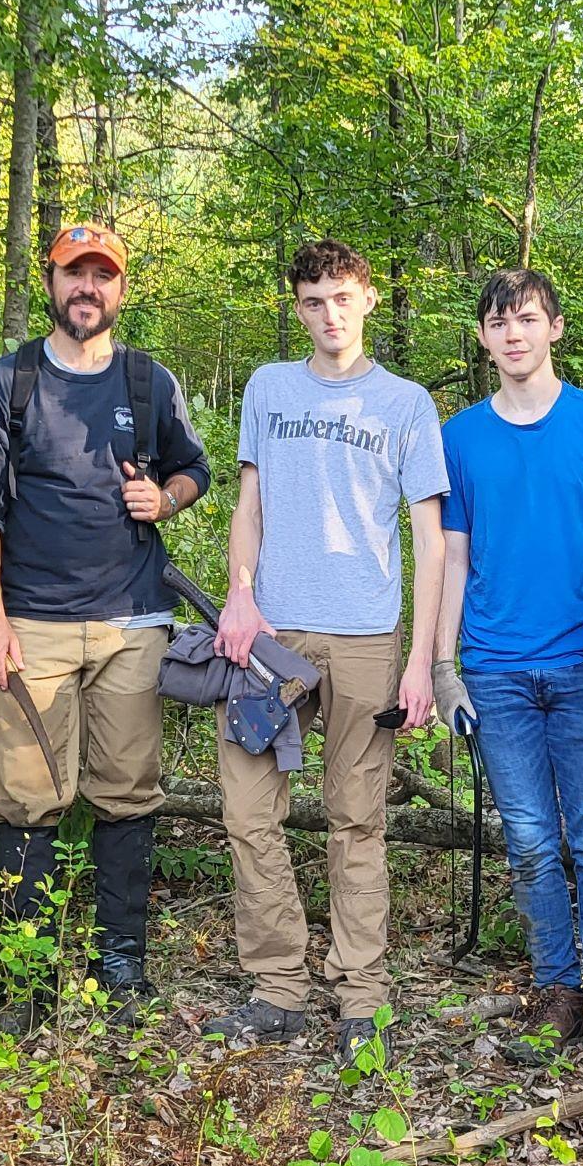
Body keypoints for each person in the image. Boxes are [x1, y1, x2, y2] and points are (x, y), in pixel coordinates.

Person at [0, 222, 210, 1027]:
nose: (87, 289)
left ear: (121, 289)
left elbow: (194, 467)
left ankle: (120, 962)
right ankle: (25, 975)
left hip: (133, 621)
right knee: (27, 799)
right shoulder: (10, 382)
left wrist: (166, 498)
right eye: (74, 274)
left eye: (102, 276)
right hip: (32, 625)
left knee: (127, 792)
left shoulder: (148, 380)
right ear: (51, 280)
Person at [212, 240, 447, 1063]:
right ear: (298, 308)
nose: (328, 313)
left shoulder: (407, 404)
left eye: (342, 296)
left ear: (369, 299)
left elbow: (430, 541)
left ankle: (360, 993)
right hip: (271, 637)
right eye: (313, 300)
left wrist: (422, 662)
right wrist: (240, 595)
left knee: (357, 819)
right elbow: (251, 504)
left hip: (367, 637)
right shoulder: (270, 389)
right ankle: (277, 986)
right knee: (248, 810)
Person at [433, 269, 583, 1084]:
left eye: (527, 318)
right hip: (496, 670)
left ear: (555, 328)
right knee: (530, 845)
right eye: (498, 321)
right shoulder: (461, 436)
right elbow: (453, 556)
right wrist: (442, 663)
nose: (513, 332)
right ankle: (558, 991)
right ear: (484, 338)